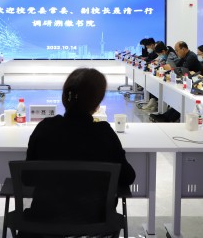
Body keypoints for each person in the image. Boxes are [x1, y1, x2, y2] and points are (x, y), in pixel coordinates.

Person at [25, 68, 136, 223]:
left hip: (45, 222)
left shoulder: (45, 128)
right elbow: (127, 177)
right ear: (97, 104)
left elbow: (27, 178)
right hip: (97, 224)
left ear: (65, 97)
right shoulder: (104, 134)